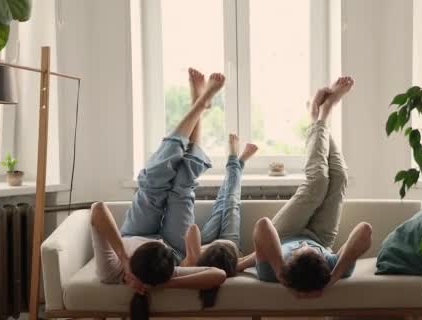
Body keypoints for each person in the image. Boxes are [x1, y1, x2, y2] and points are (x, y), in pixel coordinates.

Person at [89, 68, 227, 320]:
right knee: (183, 184)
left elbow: (97, 209)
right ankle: (200, 102)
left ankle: (199, 103)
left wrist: (123, 256)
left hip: (135, 232)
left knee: (155, 177)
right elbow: (218, 275)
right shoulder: (166, 272)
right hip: (173, 249)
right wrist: (164, 284)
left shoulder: (111, 270)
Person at [237, 77, 373, 298]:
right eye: (313, 253)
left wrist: (281, 273)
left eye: (300, 251)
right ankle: (319, 117)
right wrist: (333, 278)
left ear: (289, 261)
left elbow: (263, 226)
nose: (303, 245)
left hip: (285, 233)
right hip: (322, 237)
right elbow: (365, 230)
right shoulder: (329, 267)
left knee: (318, 182)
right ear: (324, 261)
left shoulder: (270, 271)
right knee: (339, 177)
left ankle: (322, 113)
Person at [179, 133, 258, 307]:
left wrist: (195, 254)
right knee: (230, 201)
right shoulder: (229, 270)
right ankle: (235, 159)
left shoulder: (194, 268)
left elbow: (192, 229)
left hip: (208, 244)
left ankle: (239, 162)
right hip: (229, 245)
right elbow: (258, 254)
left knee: (222, 203)